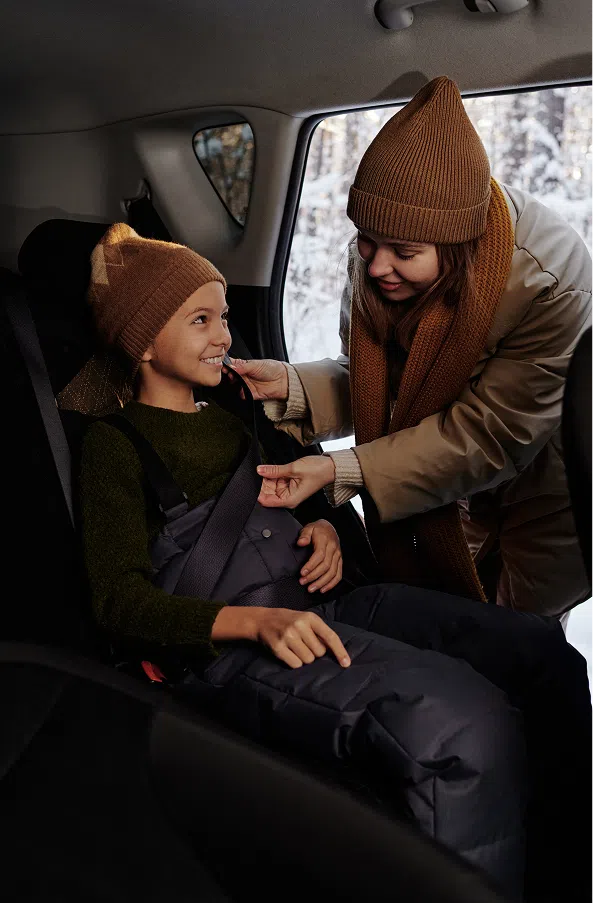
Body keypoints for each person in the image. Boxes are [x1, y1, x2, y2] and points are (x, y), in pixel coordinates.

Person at [64, 223, 593, 902]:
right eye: (200, 320)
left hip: (327, 601)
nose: (224, 336)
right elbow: (117, 602)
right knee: (462, 727)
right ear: (140, 340)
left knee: (540, 652)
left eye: (224, 316)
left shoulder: (231, 413)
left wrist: (325, 535)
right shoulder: (114, 446)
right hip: (233, 648)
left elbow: (288, 500)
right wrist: (248, 623)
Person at [231, 76, 593, 619]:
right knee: (448, 614)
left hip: (547, 481)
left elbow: (494, 433)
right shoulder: (384, 263)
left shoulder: (549, 279)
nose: (376, 267)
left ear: (459, 248)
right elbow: (383, 387)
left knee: (519, 627)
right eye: (366, 242)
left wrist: (343, 470)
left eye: (403, 251)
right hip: (441, 476)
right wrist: (294, 387)